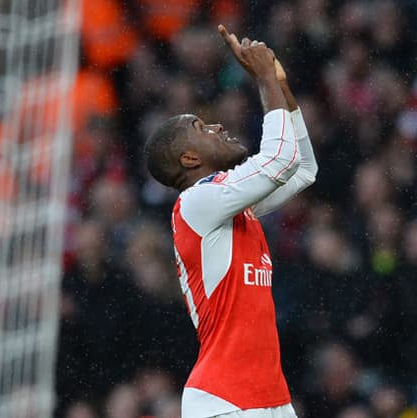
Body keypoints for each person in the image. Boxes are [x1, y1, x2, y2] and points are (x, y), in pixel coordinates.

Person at [143, 25, 318, 418]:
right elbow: (280, 161)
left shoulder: (233, 209)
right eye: (201, 128)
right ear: (189, 159)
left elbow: (304, 169)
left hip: (270, 398)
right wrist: (263, 80)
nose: (217, 126)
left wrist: (280, 86)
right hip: (224, 402)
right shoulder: (196, 203)